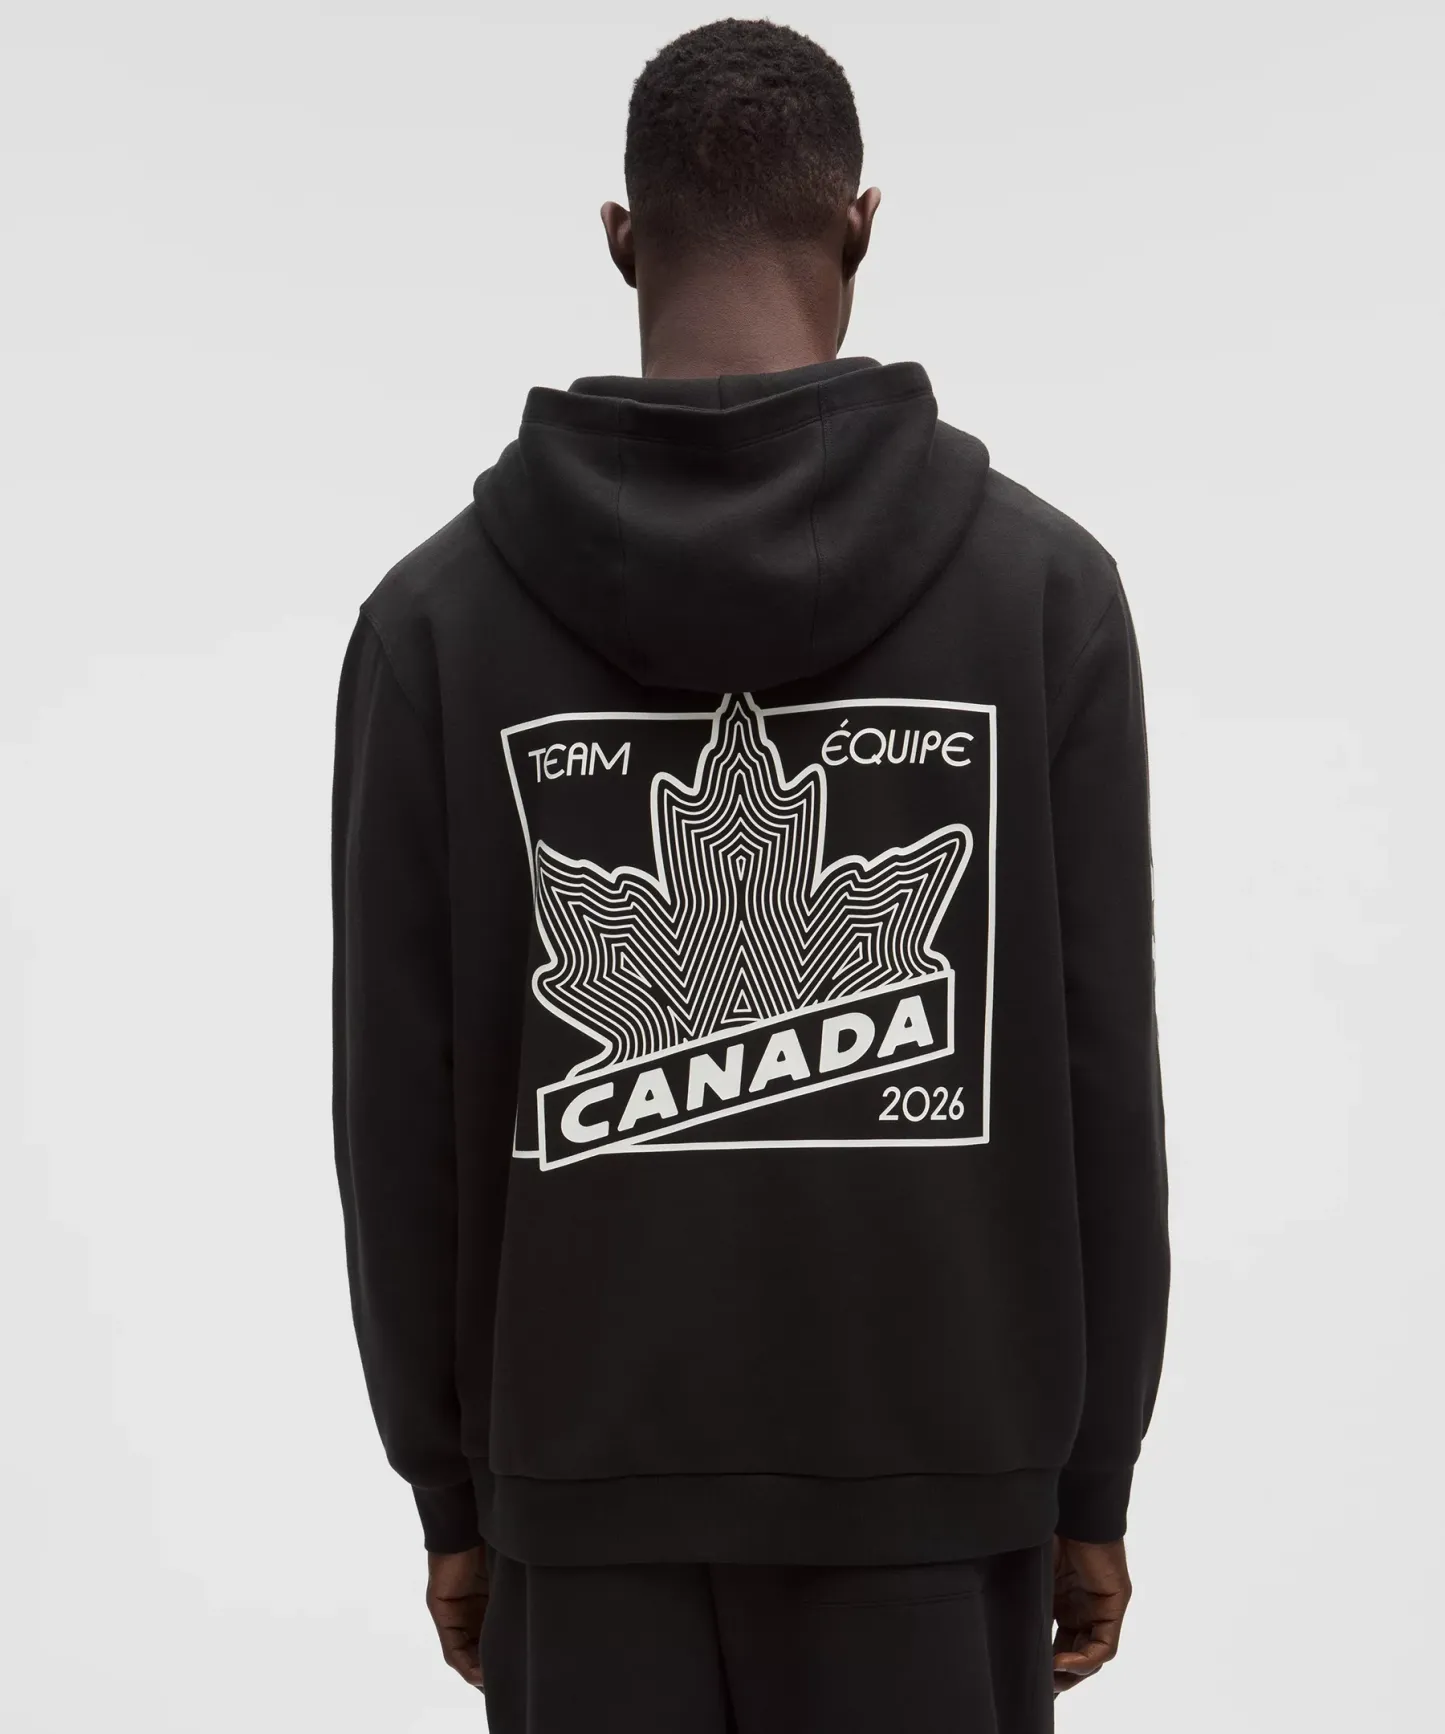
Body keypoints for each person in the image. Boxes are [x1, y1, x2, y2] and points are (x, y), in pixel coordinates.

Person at [331, 18, 1168, 1732]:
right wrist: (1091, 1478)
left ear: (622, 238)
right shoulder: (1045, 597)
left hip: (578, 1508)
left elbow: (395, 1112)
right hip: (945, 1495)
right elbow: (1103, 1074)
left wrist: (453, 1492)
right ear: (860, 224)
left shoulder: (434, 626)